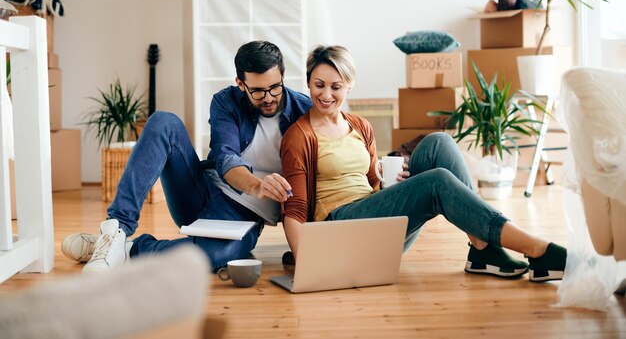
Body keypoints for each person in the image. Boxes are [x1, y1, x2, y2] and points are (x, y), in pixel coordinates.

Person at [280, 45, 567, 282]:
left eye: (335, 86)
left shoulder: (360, 125)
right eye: (318, 85)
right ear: (308, 83)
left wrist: (397, 187)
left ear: (350, 86)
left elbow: (372, 184)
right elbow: (294, 209)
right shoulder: (299, 137)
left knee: (438, 142)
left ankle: (481, 248)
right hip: (340, 232)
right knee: (436, 182)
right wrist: (309, 266)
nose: (326, 95)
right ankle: (536, 249)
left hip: (374, 228)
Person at [62, 41, 312, 273]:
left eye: (275, 87)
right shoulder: (226, 101)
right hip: (202, 192)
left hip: (245, 217)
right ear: (240, 83)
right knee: (163, 122)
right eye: (257, 91)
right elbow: (226, 159)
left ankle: (125, 249)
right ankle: (116, 229)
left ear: (282, 76)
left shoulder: (305, 111)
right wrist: (258, 185)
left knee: (214, 256)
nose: (268, 98)